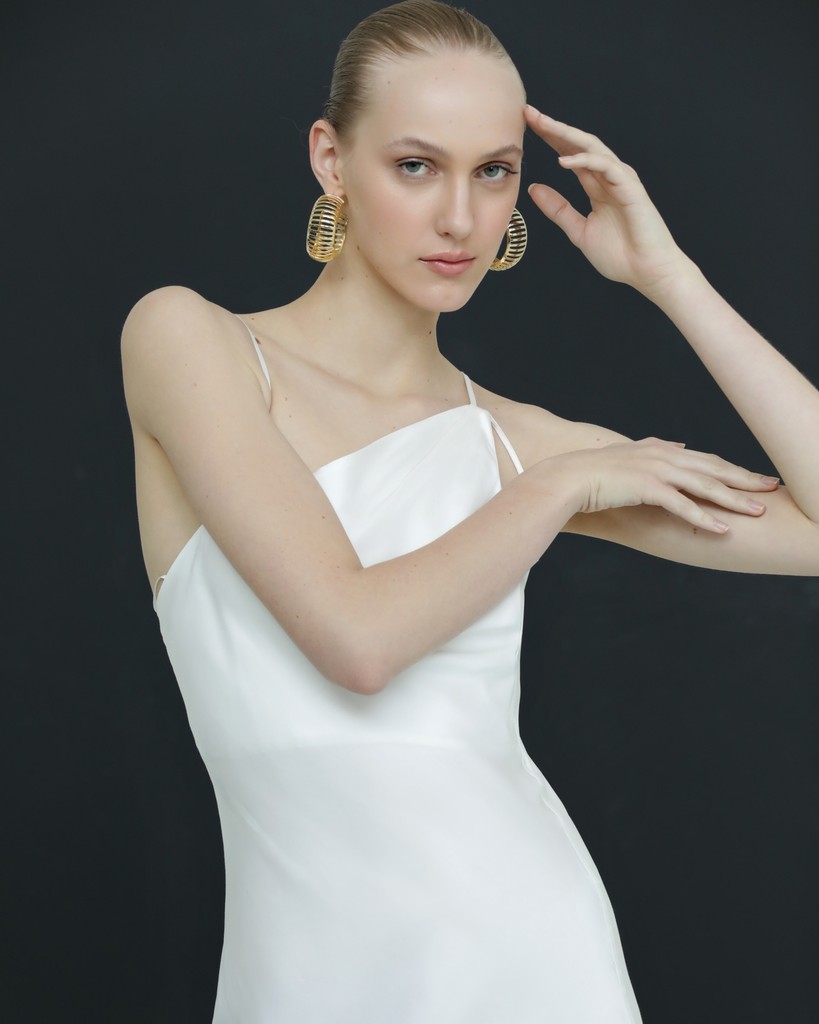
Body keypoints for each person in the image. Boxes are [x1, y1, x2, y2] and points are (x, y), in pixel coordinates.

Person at [121, 1, 819, 1020]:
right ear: (330, 159)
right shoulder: (191, 342)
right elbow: (357, 639)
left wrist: (671, 279)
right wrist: (556, 489)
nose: (460, 217)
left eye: (493, 172)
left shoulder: (511, 438)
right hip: (307, 975)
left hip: (536, 960)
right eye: (416, 166)